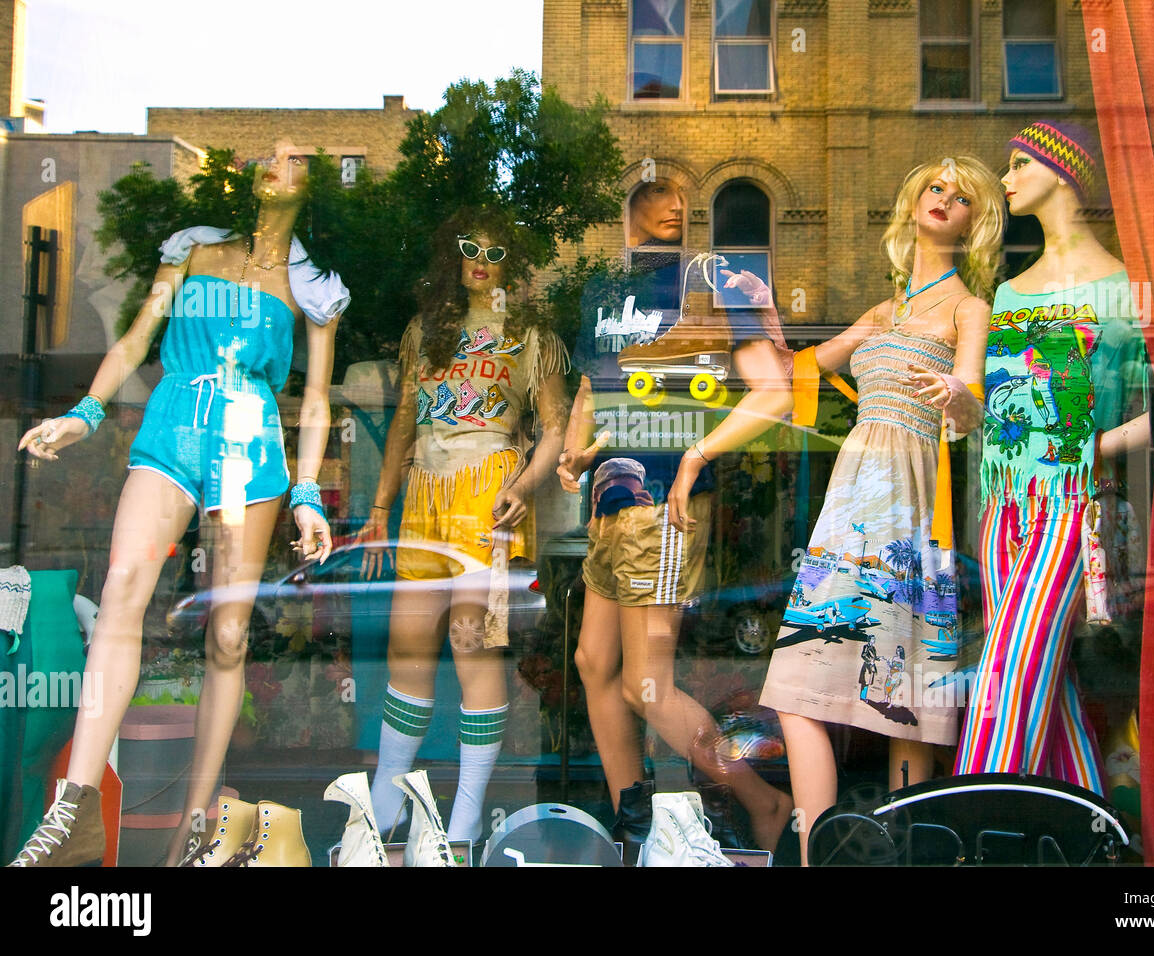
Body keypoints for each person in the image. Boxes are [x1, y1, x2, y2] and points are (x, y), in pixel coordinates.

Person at [11, 141, 348, 867]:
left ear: (312, 190)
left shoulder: (314, 288)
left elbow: (315, 400)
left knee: (228, 635)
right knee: (123, 587)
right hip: (171, 424)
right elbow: (137, 338)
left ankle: (198, 828)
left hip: (247, 442)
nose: (277, 162)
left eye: (297, 159)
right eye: (271, 152)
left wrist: (308, 495)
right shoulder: (194, 251)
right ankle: (73, 813)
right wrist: (87, 413)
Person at [760, 156, 1003, 865]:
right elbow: (797, 371)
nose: (944, 200)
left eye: (961, 197)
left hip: (912, 497)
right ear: (912, 203)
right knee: (798, 684)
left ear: (974, 221)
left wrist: (958, 397)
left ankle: (898, 852)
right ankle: (819, 852)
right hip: (850, 500)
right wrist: (746, 313)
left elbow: (972, 398)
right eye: (934, 187)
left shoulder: (969, 307)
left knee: (904, 699)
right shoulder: (879, 312)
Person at [559, 178, 795, 859]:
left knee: (645, 682)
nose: (676, 203)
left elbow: (773, 394)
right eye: (656, 191)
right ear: (625, 204)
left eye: (685, 196)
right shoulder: (604, 291)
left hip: (664, 503)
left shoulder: (714, 282)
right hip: (609, 500)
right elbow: (591, 384)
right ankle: (634, 819)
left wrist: (696, 456)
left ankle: (763, 802)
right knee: (592, 660)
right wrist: (577, 451)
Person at [355, 207, 569, 843]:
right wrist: (377, 509)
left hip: (490, 492)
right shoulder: (425, 330)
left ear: (514, 263)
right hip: (423, 493)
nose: (481, 260)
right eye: (469, 248)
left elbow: (555, 427)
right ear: (453, 256)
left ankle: (466, 820)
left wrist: (526, 486)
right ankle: (385, 809)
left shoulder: (533, 335)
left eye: (496, 251)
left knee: (475, 644)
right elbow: (402, 422)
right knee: (408, 643)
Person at [954, 122, 1150, 792]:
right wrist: (962, 406)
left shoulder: (1125, 289)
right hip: (1001, 506)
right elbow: (1000, 410)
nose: (1004, 181)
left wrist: (1098, 446)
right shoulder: (1008, 293)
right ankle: (1092, 830)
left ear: (1062, 170)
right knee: (1048, 683)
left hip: (1071, 506)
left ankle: (969, 824)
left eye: (1016, 165)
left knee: (1008, 672)